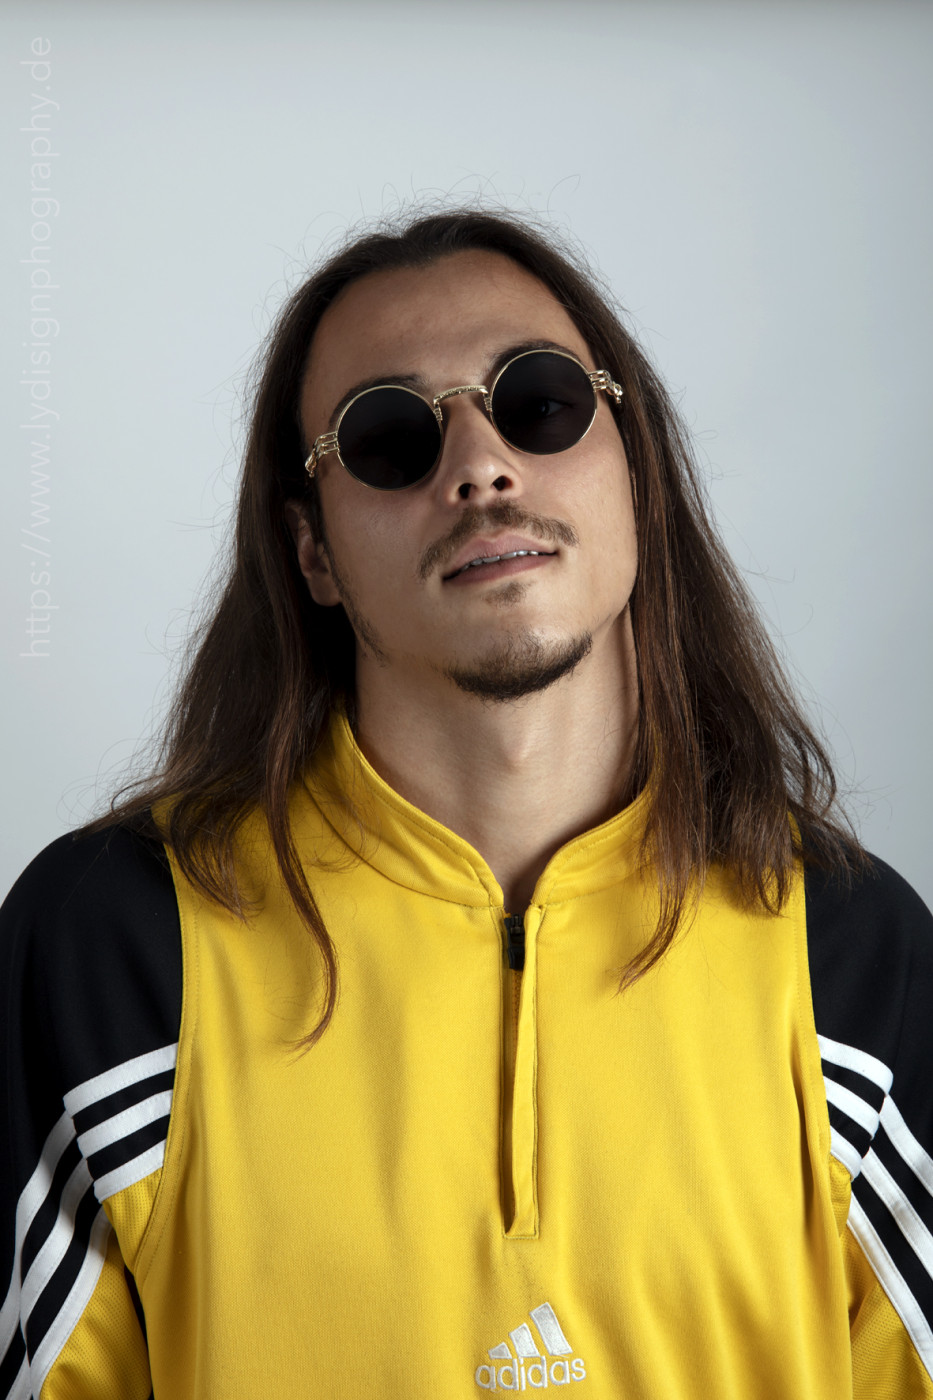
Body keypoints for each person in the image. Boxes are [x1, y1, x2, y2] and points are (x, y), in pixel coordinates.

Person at [2, 208, 931, 1400]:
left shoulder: (853, 955)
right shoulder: (111, 947)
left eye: (540, 401)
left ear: (635, 471)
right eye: (388, 436)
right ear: (312, 551)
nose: (481, 465)